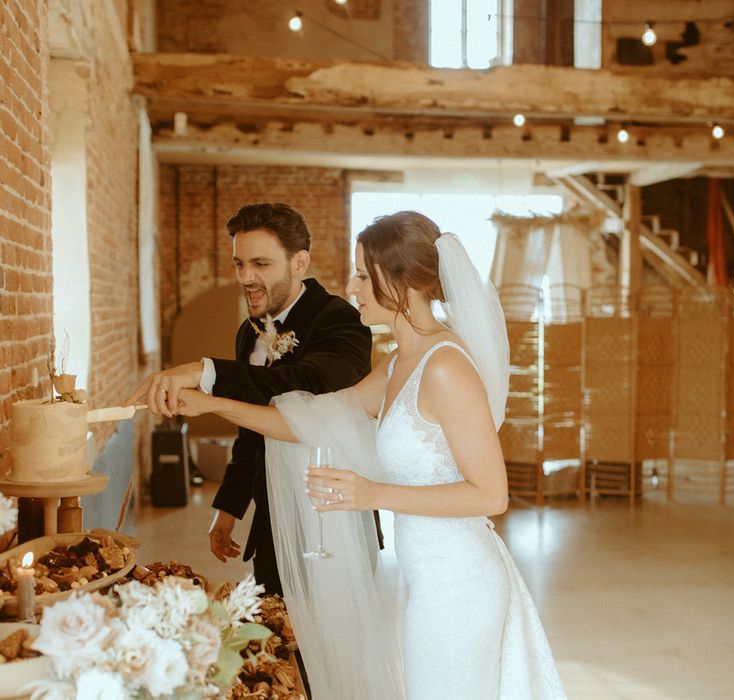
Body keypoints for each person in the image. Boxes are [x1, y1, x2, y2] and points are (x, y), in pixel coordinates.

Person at [173, 211, 567, 699]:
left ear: (399, 281)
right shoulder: (400, 362)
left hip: (461, 584)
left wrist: (373, 493)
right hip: (429, 578)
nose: (351, 286)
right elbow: (310, 418)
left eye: (362, 274)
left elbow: (491, 494)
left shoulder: (444, 367)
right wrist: (211, 403)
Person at [126, 202, 372, 595]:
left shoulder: (340, 319)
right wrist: (228, 509)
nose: (246, 277)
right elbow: (250, 430)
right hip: (270, 518)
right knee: (275, 635)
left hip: (330, 523)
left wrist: (205, 372)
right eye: (240, 264)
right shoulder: (249, 332)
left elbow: (310, 383)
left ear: (299, 263)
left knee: (319, 649)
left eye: (261, 264)